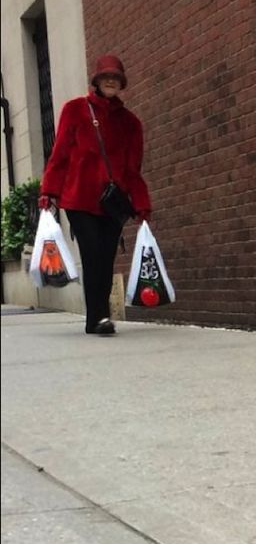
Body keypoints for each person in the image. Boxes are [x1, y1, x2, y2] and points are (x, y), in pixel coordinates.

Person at [39, 55, 151, 335]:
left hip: (113, 202)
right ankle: (97, 317)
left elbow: (133, 168)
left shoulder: (131, 123)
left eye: (116, 77)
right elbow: (60, 153)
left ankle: (100, 316)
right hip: (80, 198)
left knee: (107, 256)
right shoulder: (75, 110)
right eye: (105, 77)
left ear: (122, 83)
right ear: (97, 81)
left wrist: (141, 203)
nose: (110, 81)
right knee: (92, 254)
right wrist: (49, 191)